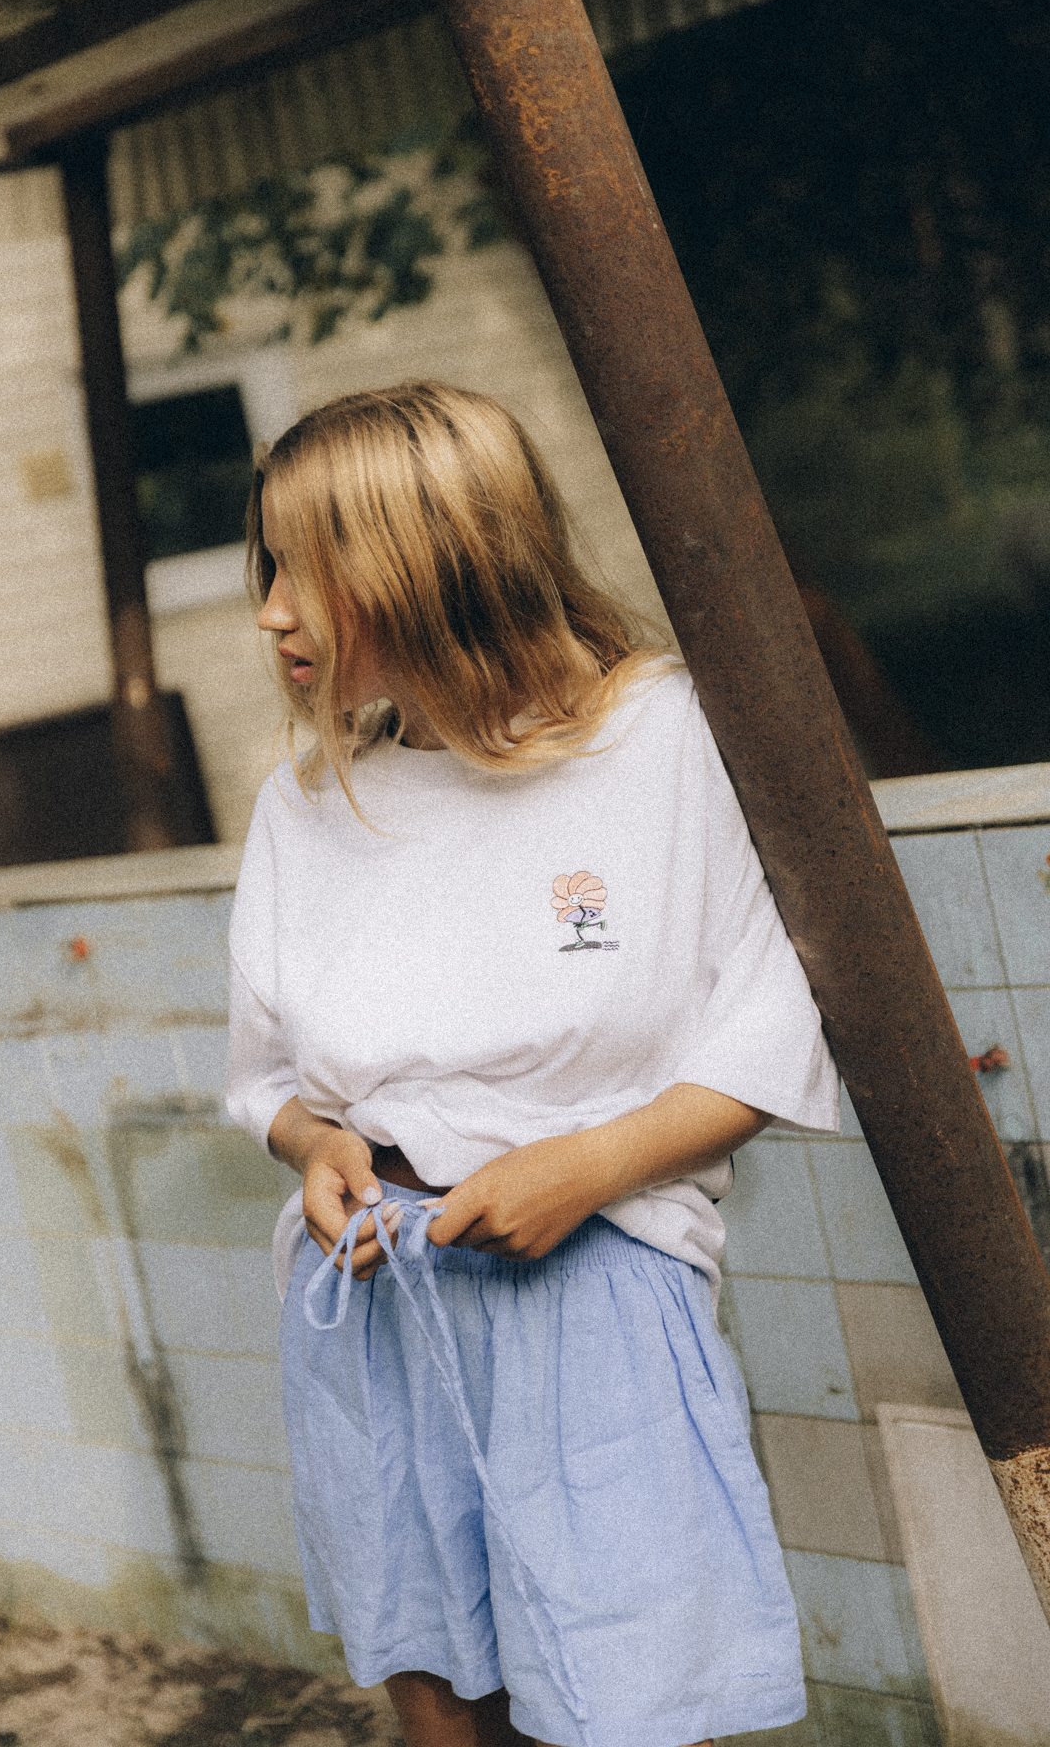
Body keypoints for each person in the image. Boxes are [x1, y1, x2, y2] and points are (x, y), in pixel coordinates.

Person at [226, 382, 840, 1747]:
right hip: (373, 1291)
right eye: (267, 567)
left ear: (430, 559)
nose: (271, 611)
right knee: (442, 1710)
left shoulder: (671, 740)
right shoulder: (309, 806)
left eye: (307, 570)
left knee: (627, 1707)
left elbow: (773, 1025)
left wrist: (583, 1169)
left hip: (598, 1281)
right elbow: (267, 1075)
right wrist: (319, 1153)